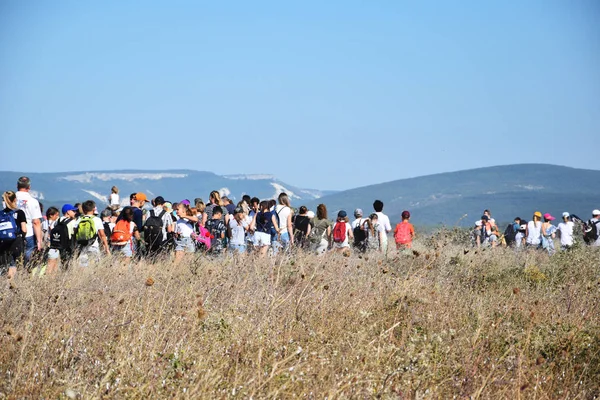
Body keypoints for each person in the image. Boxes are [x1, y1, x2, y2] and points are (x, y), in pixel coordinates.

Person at [15, 176, 43, 265]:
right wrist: (39, 240)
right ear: (29, 187)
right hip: (28, 233)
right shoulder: (32, 201)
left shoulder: (9, 200)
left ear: (17, 186)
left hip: (12, 232)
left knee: (13, 259)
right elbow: (36, 222)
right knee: (28, 260)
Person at [74, 200, 110, 267]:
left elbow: (75, 233)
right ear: (94, 209)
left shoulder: (79, 219)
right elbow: (102, 235)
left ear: (83, 210)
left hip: (83, 246)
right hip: (94, 245)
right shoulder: (97, 220)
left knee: (83, 266)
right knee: (96, 266)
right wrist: (106, 248)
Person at [0, 191, 27, 279]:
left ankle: (5, 280)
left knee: (5, 262)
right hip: (16, 240)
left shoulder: (1, 214)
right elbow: (24, 229)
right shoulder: (19, 212)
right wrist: (23, 236)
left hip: (3, 241)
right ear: (15, 199)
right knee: (15, 262)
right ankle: (12, 280)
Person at [47, 204, 78, 273]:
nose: (75, 212)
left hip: (58, 244)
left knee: (58, 263)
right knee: (67, 264)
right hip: (68, 245)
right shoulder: (73, 222)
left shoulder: (58, 220)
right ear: (68, 212)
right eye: (73, 211)